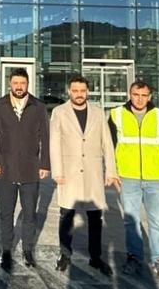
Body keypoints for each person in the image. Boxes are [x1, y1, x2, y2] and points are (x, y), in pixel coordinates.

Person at [50, 75, 120, 276]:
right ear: (69, 91)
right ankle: (65, 254)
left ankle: (95, 257)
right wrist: (57, 171)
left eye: (82, 91)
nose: (79, 94)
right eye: (75, 91)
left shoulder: (98, 113)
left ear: (87, 91)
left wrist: (111, 170)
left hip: (93, 171)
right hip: (69, 171)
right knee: (66, 215)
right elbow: (54, 143)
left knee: (95, 217)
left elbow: (107, 143)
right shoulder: (59, 112)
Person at [108, 80, 159, 279]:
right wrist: (112, 172)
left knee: (157, 221)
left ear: (150, 96)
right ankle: (134, 258)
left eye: (144, 95)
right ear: (130, 94)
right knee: (131, 221)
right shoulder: (117, 114)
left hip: (156, 177)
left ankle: (158, 261)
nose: (139, 99)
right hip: (128, 177)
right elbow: (109, 146)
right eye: (136, 94)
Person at [0, 68, 49, 271]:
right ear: (10, 84)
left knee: (30, 213)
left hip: (31, 169)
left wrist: (45, 164)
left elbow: (45, 137)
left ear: (28, 84)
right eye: (15, 83)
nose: (19, 87)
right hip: (6, 168)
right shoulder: (0, 105)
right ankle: (6, 250)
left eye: (22, 83)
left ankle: (28, 250)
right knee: (6, 213)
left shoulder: (38, 106)